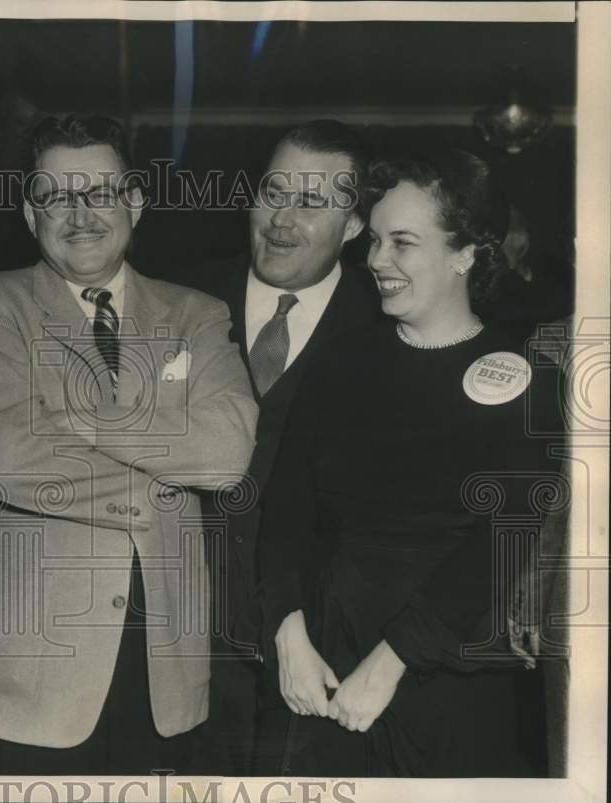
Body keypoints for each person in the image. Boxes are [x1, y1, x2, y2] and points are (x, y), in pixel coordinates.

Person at [0, 113, 257, 775]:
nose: (79, 213)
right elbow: (7, 460)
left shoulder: (198, 314)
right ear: (31, 215)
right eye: (56, 196)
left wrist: (78, 420)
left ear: (135, 203)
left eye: (99, 193)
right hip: (32, 675)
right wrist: (166, 470)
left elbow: (228, 454)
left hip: (164, 675)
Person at [257, 148, 565, 777]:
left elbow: (497, 547)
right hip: (323, 668)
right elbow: (285, 511)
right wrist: (289, 635)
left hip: (448, 677)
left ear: (466, 254)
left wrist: (390, 662)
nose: (375, 261)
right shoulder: (336, 364)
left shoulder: (529, 382)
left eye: (402, 243)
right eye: (373, 241)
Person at [186, 120, 381, 775]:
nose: (281, 219)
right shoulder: (178, 303)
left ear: (355, 226)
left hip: (326, 668)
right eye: (273, 191)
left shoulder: (388, 330)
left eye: (313, 202)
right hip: (183, 657)